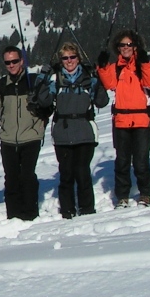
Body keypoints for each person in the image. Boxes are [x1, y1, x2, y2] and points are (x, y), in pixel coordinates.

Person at [33, 42, 109, 218]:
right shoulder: (56, 80)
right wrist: (43, 79)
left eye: (72, 57)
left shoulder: (88, 77)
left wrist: (99, 81)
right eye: (65, 58)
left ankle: (87, 210)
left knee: (82, 172)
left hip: (84, 131)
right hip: (63, 133)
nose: (69, 61)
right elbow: (44, 101)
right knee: (66, 173)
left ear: (78, 58)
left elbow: (102, 102)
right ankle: (67, 210)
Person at [97, 29, 150, 207]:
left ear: (135, 47)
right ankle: (122, 196)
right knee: (122, 161)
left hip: (142, 120)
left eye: (129, 44)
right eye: (122, 45)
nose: (126, 48)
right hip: (121, 120)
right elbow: (109, 84)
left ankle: (145, 194)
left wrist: (145, 62)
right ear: (117, 48)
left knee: (141, 161)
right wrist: (102, 67)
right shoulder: (116, 68)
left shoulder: (142, 65)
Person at [0, 45, 47, 221]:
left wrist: (38, 101)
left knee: (27, 176)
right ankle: (13, 215)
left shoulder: (34, 81)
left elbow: (48, 106)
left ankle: (30, 213)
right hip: (8, 139)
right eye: (7, 62)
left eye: (14, 61)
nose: (11, 65)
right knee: (11, 178)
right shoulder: (1, 85)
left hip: (31, 136)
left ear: (22, 61)